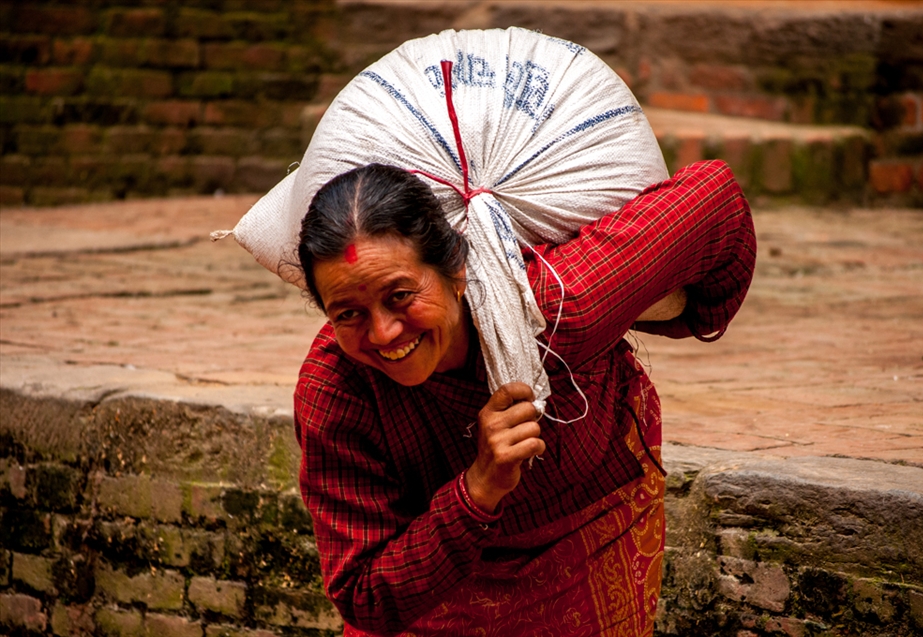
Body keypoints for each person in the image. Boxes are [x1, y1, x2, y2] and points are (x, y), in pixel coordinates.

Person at [294, 159, 756, 636]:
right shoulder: (335, 390)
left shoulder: (555, 308)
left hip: (585, 537)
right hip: (430, 592)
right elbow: (363, 595)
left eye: (400, 296)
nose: (384, 333)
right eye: (348, 313)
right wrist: (478, 489)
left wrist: (684, 313)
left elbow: (715, 197)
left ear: (457, 271)